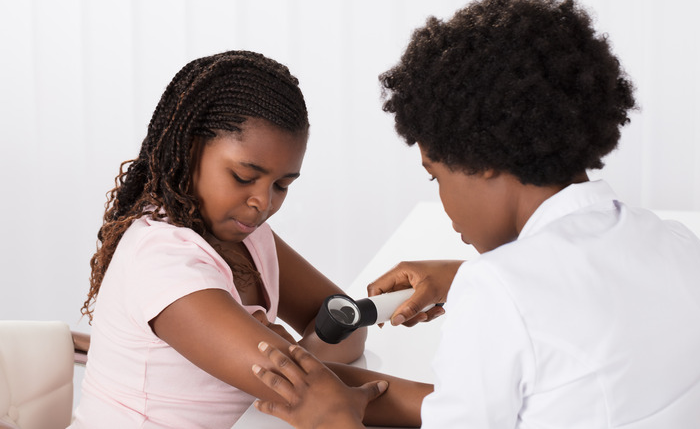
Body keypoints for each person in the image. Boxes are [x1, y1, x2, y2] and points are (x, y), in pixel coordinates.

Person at [250, 0, 700, 428]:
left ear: (482, 160)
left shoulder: (498, 290)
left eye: (436, 175)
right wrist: (462, 274)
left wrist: (334, 420)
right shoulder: (677, 243)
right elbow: (577, 313)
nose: (442, 201)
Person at [70, 50, 431, 428]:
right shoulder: (161, 261)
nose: (263, 202)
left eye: (282, 185)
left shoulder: (247, 236)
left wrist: (298, 361)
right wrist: (458, 407)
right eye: (244, 177)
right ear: (189, 149)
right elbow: (309, 392)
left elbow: (348, 327)